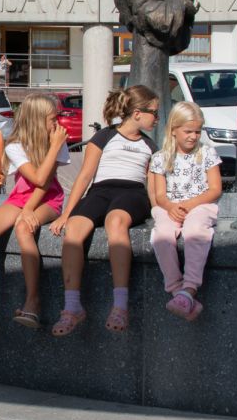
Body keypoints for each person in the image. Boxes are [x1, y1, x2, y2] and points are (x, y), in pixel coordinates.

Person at [49, 86, 160, 335]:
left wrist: (159, 211)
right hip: (100, 190)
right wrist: (67, 213)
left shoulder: (150, 145)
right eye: (154, 112)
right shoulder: (104, 137)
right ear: (137, 113)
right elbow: (84, 176)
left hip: (132, 192)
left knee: (115, 221)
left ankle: (120, 305)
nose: (157, 118)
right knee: (74, 229)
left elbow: (153, 185)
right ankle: (72, 306)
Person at [0, 94, 69, 333]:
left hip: (48, 198)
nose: (57, 123)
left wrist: (29, 210)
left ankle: (33, 301)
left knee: (23, 228)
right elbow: (36, 177)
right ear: (37, 120)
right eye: (52, 119)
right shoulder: (14, 145)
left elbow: (45, 182)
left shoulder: (56, 140)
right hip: (21, 197)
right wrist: (26, 207)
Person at [148, 101, 222, 322]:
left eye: (197, 131)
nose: (193, 136)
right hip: (169, 207)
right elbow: (159, 195)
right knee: (161, 235)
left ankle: (190, 288)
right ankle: (177, 290)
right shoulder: (160, 157)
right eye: (188, 131)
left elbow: (215, 189)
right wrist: (171, 207)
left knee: (195, 231)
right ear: (173, 130)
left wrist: (189, 205)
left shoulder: (207, 153)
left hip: (200, 205)